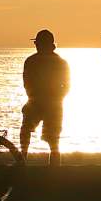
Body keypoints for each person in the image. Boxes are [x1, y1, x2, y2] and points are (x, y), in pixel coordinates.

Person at [21, 29, 71, 166]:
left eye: (37, 43)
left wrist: (53, 99)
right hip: (46, 103)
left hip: (45, 104)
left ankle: (24, 159)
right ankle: (25, 159)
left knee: (50, 139)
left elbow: (27, 83)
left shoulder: (32, 61)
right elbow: (67, 86)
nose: (36, 45)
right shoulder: (61, 62)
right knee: (51, 139)